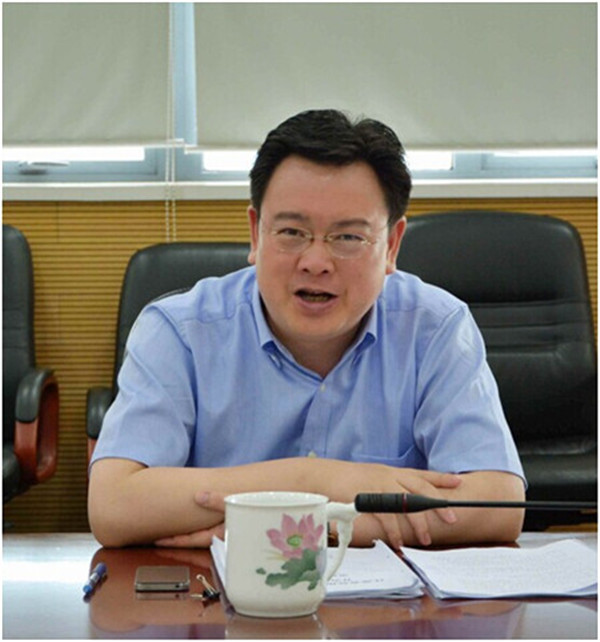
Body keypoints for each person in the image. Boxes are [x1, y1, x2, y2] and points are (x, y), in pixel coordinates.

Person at [88, 109, 525, 549]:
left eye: (348, 237)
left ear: (391, 245)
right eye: (292, 232)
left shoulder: (434, 327)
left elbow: (498, 505)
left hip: (391, 594)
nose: (315, 262)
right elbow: (113, 505)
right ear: (256, 234)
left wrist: (293, 527)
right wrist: (314, 478)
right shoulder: (179, 331)